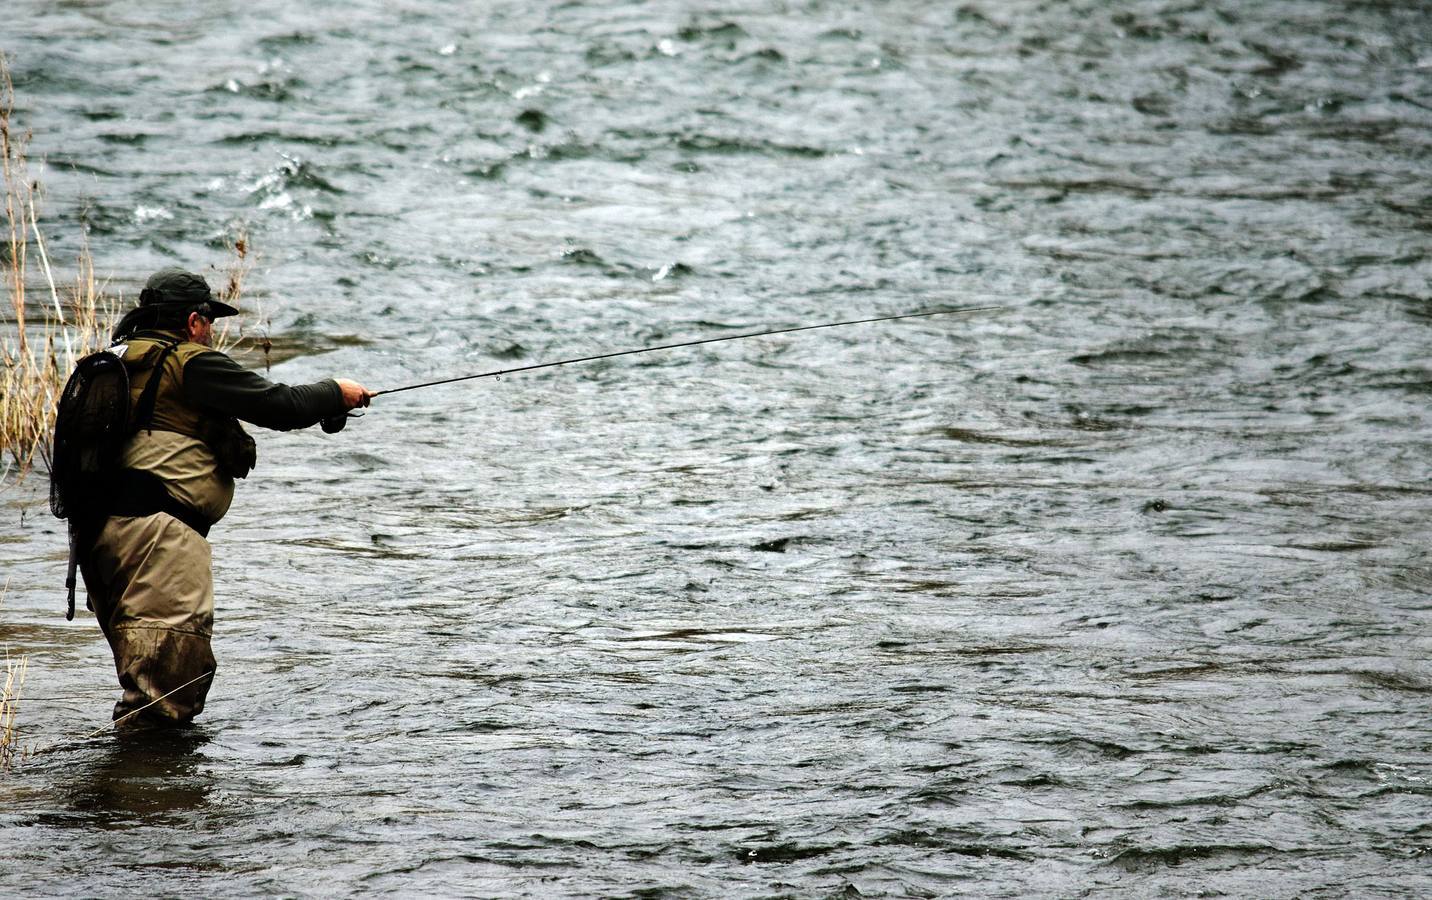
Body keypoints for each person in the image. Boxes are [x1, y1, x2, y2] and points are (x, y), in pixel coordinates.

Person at [79, 267, 372, 725]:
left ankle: (124, 789)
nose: (211, 331)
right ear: (194, 321)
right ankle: (148, 793)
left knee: (145, 682)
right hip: (157, 541)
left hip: (97, 540)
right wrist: (337, 392)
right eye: (209, 321)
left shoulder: (112, 361)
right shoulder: (188, 362)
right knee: (164, 695)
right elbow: (281, 405)